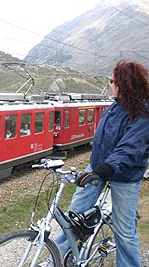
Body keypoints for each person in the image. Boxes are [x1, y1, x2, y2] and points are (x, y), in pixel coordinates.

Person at [53, 60, 149, 267]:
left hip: (125, 176)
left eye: (113, 80)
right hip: (98, 168)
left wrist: (104, 168)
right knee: (73, 217)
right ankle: (58, 259)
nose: (111, 83)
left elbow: (130, 148)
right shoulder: (115, 107)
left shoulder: (144, 113)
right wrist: (96, 167)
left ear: (124, 83)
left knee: (124, 231)